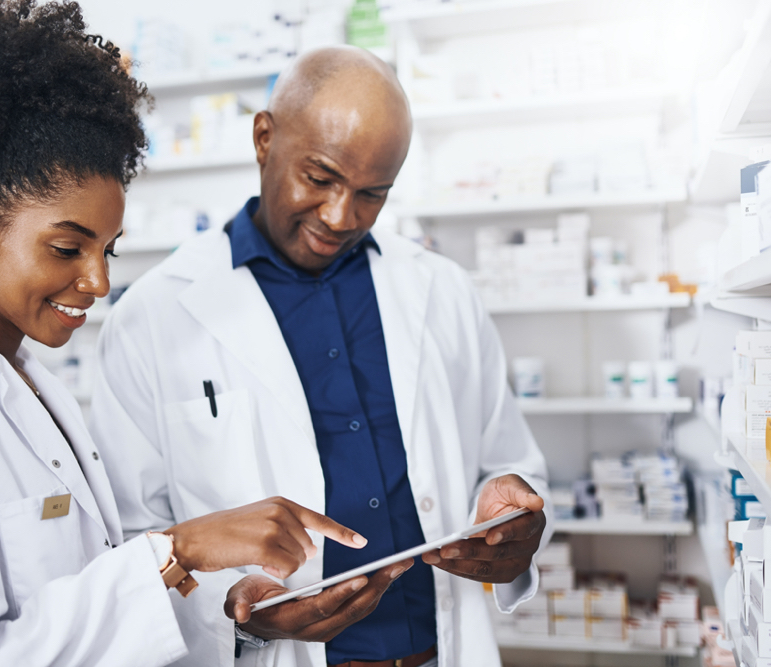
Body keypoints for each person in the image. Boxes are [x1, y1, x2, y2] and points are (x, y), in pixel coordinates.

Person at [0, 3, 370, 666]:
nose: (98, 283)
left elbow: (85, 606)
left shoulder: (35, 383)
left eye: (109, 250)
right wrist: (176, 549)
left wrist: (240, 611)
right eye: (68, 248)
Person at [90, 46, 552, 667]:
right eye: (320, 178)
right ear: (264, 138)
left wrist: (510, 515)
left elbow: (508, 463)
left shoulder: (440, 290)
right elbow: (133, 542)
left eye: (372, 193)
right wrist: (239, 609)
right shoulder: (152, 318)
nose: (341, 216)